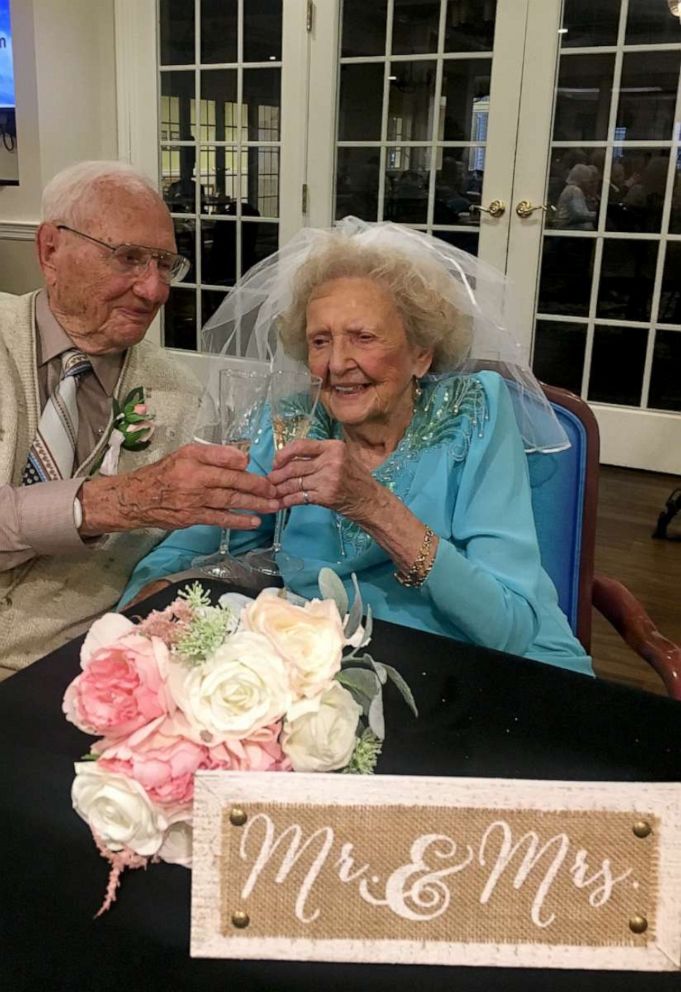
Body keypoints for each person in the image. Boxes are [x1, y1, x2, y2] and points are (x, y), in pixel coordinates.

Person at [122, 219, 591, 675]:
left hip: (485, 666)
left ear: (421, 354)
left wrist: (371, 505)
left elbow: (507, 628)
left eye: (364, 338)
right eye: (320, 341)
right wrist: (153, 600)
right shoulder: (290, 424)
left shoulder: (473, 413)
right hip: (341, 671)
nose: (338, 363)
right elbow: (190, 546)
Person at [0, 161, 277, 678]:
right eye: (128, 258)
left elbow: (195, 550)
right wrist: (120, 501)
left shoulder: (185, 399)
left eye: (166, 265)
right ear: (50, 250)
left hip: (71, 671)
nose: (155, 291)